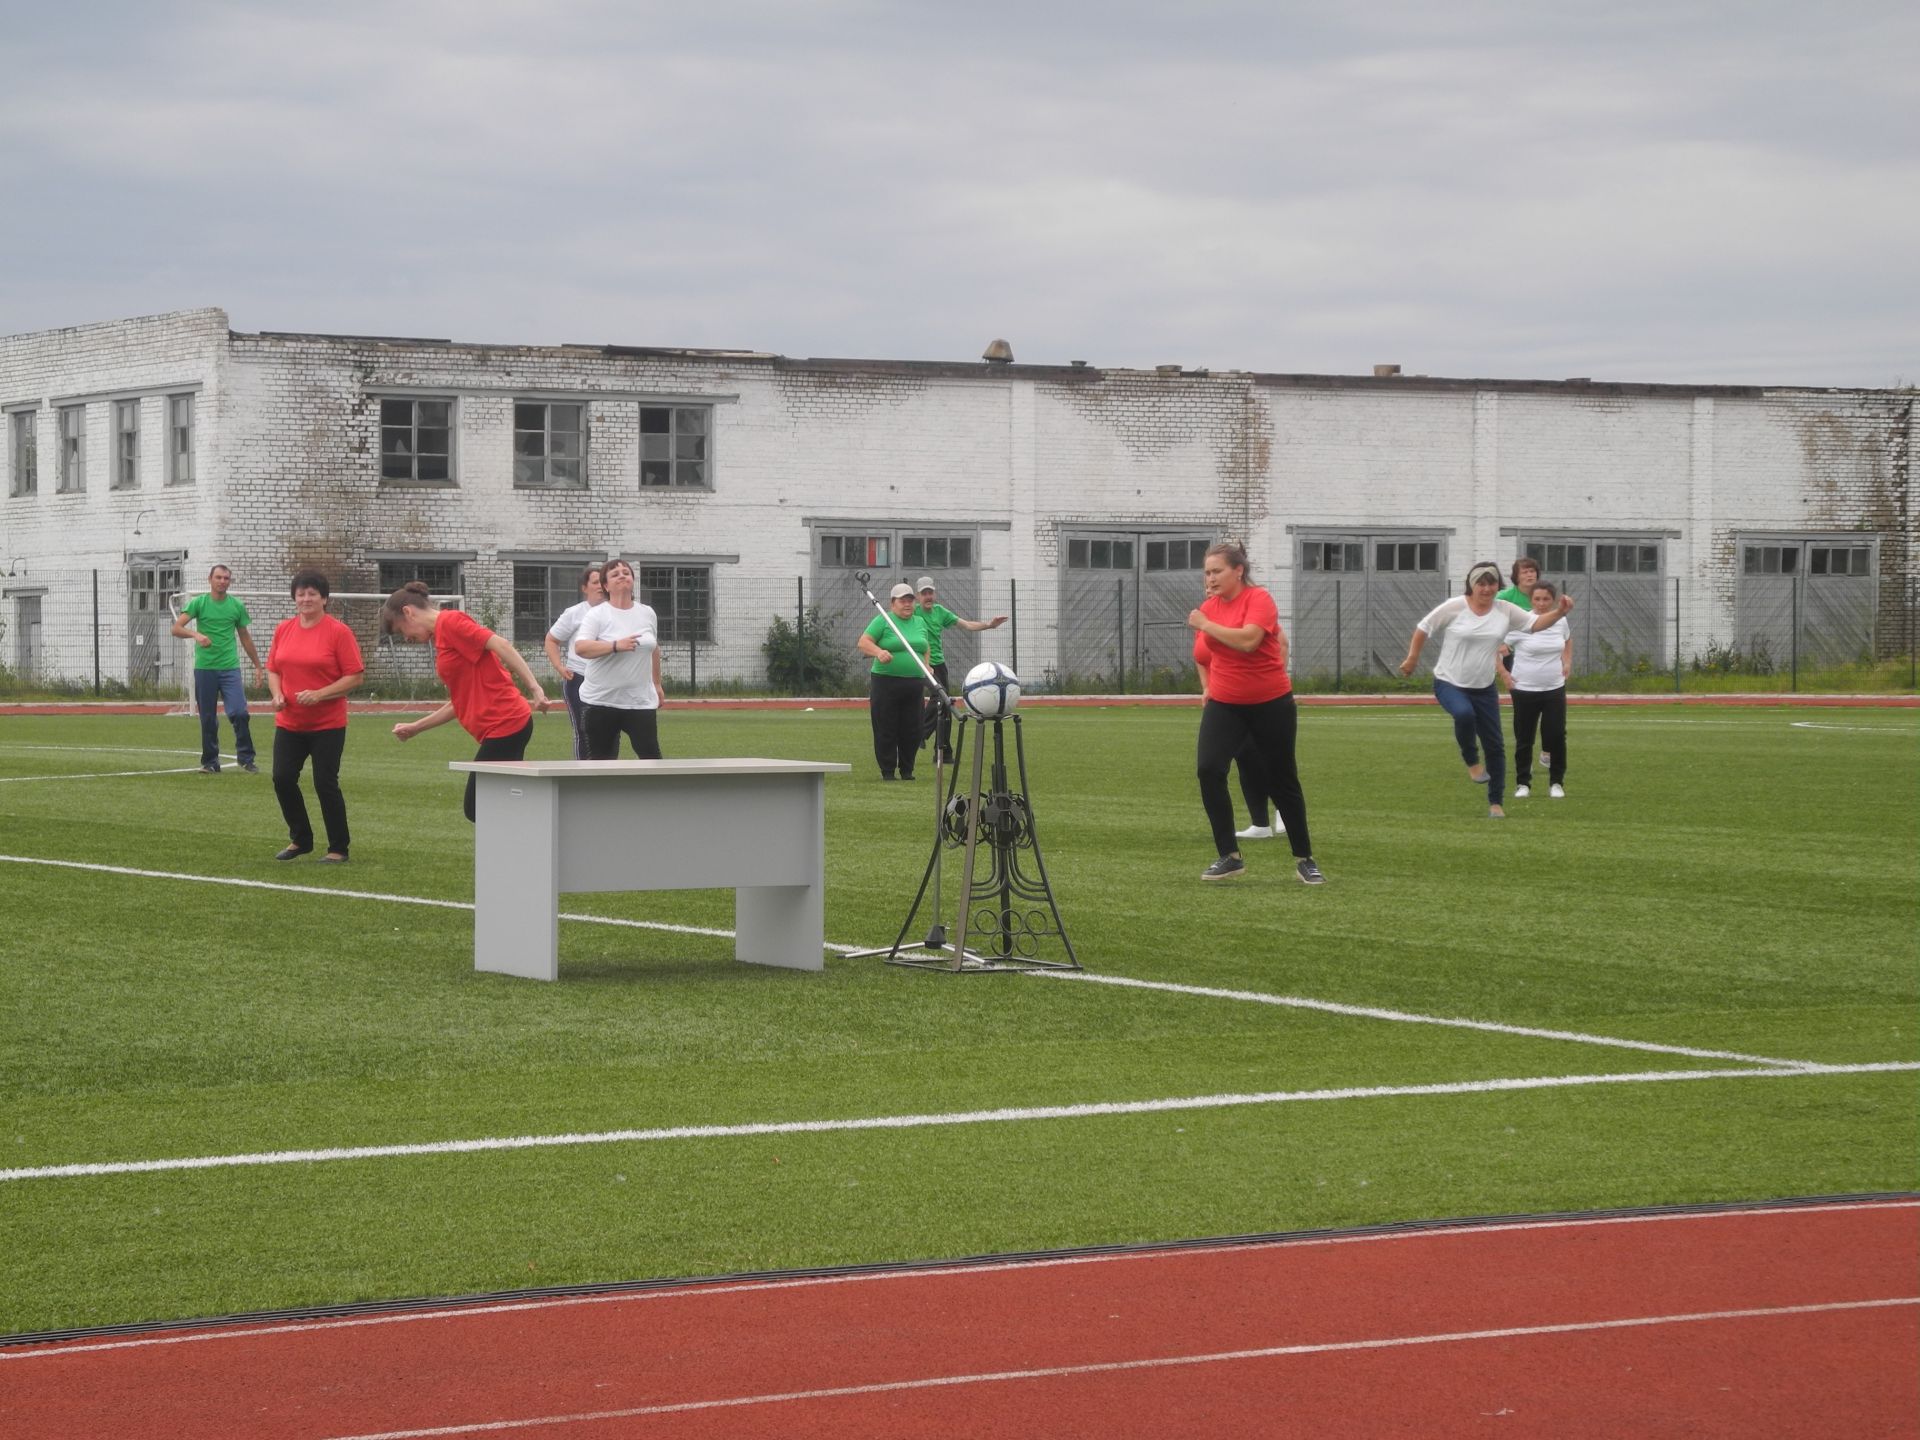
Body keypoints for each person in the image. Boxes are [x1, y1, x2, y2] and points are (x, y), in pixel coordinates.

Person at [1186, 541, 1324, 884]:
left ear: (1238, 571)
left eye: (1217, 571)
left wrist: (1205, 624)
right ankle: (1229, 856)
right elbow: (1203, 656)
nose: (1210, 578)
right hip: (1225, 704)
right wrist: (1207, 685)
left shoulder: (1258, 599)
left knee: (1281, 779)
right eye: (1207, 572)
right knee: (1208, 769)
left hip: (1270, 704)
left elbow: (1248, 641)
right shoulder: (1209, 608)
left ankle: (1305, 858)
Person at [1399, 561, 1575, 819]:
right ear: (1471, 585)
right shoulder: (1456, 607)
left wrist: (1559, 613)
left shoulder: (1504, 610)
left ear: (1497, 586)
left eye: (1491, 583)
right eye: (1481, 583)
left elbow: (1535, 624)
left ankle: (1496, 802)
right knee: (1464, 715)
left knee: (1495, 746)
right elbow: (1424, 627)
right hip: (1449, 682)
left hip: (1483, 689)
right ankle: (1471, 760)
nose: (1486, 588)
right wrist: (1412, 658)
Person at [385, 581, 557, 821]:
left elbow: (502, 645)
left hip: (507, 724)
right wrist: (416, 728)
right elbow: (460, 701)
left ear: (408, 612)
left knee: (477, 806)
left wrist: (535, 689)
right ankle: (522, 839)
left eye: (402, 630)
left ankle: (546, 818)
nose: (406, 638)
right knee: (491, 802)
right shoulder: (442, 635)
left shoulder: (451, 623)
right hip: (502, 727)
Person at [263, 570, 364, 862]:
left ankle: (338, 847)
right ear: (294, 597)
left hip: (327, 725)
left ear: (324, 599)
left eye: (312, 593)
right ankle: (301, 839)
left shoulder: (338, 632)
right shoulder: (283, 629)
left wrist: (320, 693)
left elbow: (355, 677)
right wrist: (277, 694)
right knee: (282, 778)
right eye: (301, 593)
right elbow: (274, 669)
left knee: (324, 782)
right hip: (290, 723)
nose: (306, 598)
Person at [171, 563, 262, 774]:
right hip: (205, 669)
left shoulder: (236, 606)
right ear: (210, 579)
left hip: (230, 668)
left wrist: (258, 666)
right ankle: (211, 762)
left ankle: (246, 758)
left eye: (226, 578)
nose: (222, 581)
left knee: (239, 712)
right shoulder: (199, 603)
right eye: (219, 577)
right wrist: (196, 635)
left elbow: (245, 637)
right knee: (208, 718)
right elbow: (176, 628)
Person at [570, 558, 664, 761]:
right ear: (606, 585)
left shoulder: (647, 613)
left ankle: (655, 793)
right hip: (601, 702)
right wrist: (615, 646)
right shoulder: (597, 615)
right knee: (601, 763)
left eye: (626, 572)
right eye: (615, 574)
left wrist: (656, 683)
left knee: (652, 759)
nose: (622, 575)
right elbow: (581, 647)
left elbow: (654, 649)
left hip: (639, 700)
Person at [913, 576, 1007, 765]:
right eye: (924, 593)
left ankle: (943, 752)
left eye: (930, 592)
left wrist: (989, 625)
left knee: (946, 706)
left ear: (934, 594)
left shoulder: (940, 612)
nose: (928, 596)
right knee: (939, 698)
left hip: (939, 664)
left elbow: (966, 624)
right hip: (921, 663)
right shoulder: (912, 613)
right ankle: (919, 735)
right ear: (917, 596)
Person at [1499, 579, 1572, 799]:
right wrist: (1503, 672)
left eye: (1546, 599)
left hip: (1554, 688)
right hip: (1525, 689)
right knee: (1525, 738)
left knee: (1556, 735)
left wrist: (1567, 662)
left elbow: (1567, 641)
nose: (1541, 603)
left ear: (1553, 600)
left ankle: (1556, 783)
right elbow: (1496, 646)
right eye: (1537, 599)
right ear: (1531, 600)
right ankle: (1523, 784)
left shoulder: (1560, 621)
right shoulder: (1521, 623)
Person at [857, 582, 931, 781]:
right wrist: (879, 652)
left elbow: (925, 647)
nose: (907, 604)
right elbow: (863, 642)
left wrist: (927, 665)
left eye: (910, 601)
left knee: (913, 729)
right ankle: (887, 771)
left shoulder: (919, 622)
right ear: (893, 603)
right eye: (902, 601)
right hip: (886, 682)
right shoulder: (883, 620)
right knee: (886, 727)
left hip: (914, 683)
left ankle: (907, 770)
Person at [542, 563, 607, 760]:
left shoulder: (615, 612)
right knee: (583, 729)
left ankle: (606, 771)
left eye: (602, 582)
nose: (600, 587)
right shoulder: (575, 613)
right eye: (595, 582)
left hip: (608, 681)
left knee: (608, 731)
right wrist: (559, 666)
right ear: (584, 588)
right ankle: (583, 773)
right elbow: (551, 639)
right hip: (579, 678)